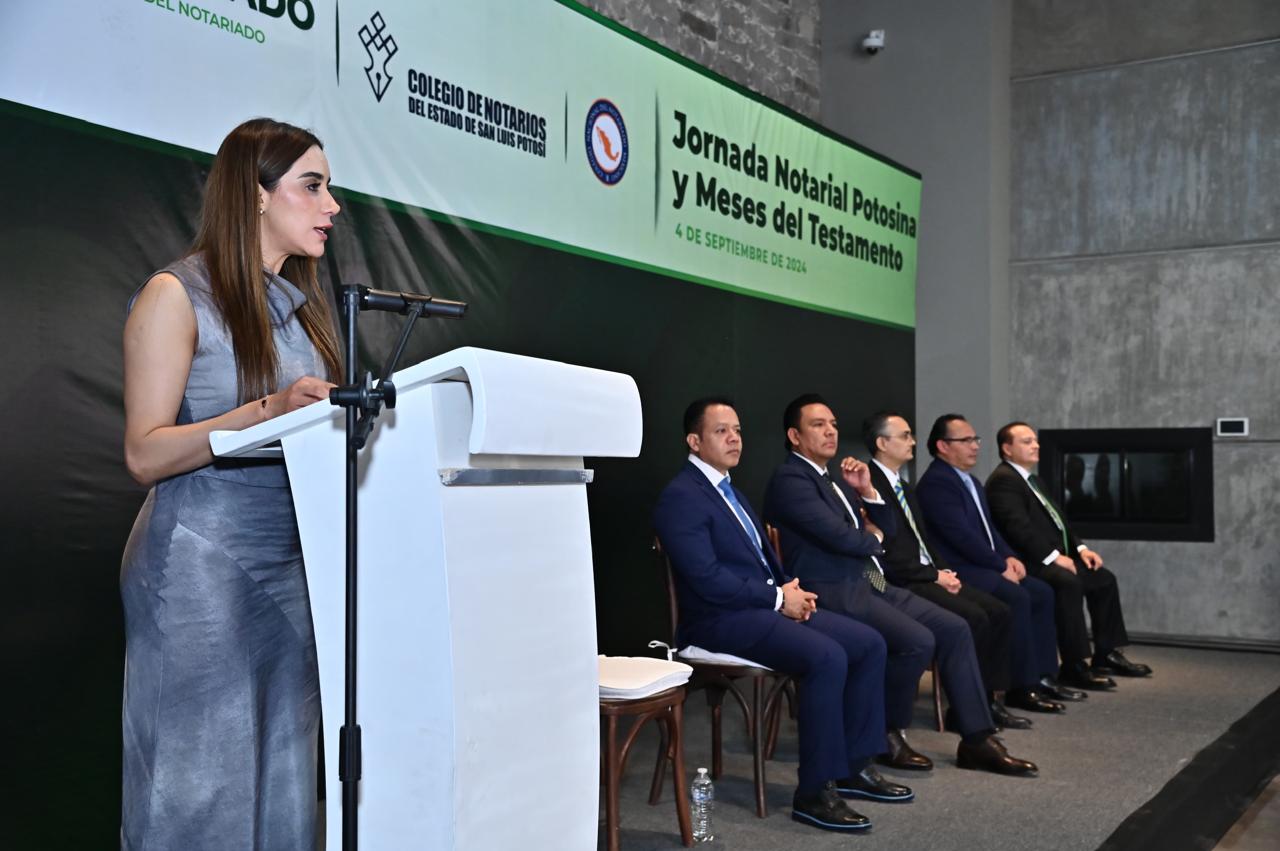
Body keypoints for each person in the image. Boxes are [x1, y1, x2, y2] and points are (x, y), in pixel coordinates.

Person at [120, 118, 343, 849]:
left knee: (284, 784)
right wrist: (265, 412)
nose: (332, 205)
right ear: (256, 194)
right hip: (198, 578)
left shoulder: (304, 313)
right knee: (196, 796)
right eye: (313, 185)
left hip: (291, 572)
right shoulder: (174, 296)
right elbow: (144, 454)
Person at [653, 398, 895, 832]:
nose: (734, 439)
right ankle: (814, 792)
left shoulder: (730, 490)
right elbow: (707, 579)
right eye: (721, 431)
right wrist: (778, 599)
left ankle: (854, 765)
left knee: (869, 643)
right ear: (694, 441)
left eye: (738, 430)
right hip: (716, 620)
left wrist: (790, 591)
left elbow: (762, 562)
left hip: (759, 607)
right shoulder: (681, 497)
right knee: (827, 657)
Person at [763, 396, 1036, 777]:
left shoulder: (836, 478)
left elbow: (886, 530)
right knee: (917, 640)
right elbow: (843, 537)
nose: (830, 432)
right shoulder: (791, 479)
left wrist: (868, 494)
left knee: (955, 628)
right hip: (832, 588)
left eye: (834, 424)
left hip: (869, 582)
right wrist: (870, 536)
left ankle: (977, 738)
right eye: (818, 425)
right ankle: (885, 733)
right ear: (795, 435)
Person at [862, 411, 1031, 731]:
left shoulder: (904, 486)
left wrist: (944, 571)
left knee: (998, 610)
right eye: (905, 435)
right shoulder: (868, 484)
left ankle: (989, 700)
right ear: (882, 443)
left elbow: (925, 542)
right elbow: (888, 555)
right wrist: (934, 576)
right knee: (974, 617)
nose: (913, 441)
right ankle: (966, 710)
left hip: (927, 574)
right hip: (901, 581)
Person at [914, 414, 1092, 710]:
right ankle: (1020, 686)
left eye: (975, 439)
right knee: (1017, 596)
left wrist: (1008, 555)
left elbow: (990, 530)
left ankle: (1043, 675)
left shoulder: (970, 480)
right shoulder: (936, 483)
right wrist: (999, 565)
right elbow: (961, 537)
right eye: (966, 440)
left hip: (984, 564)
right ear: (943, 446)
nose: (975, 446)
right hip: (962, 569)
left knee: (1042, 591)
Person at [987, 422, 1151, 679]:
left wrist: (1081, 548)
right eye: (1027, 442)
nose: (1036, 445)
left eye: (1035, 440)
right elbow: (1017, 528)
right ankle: (1075, 664)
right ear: (1007, 449)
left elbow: (1059, 521)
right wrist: (1054, 558)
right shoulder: (1003, 481)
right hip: (1029, 561)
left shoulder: (1032, 480)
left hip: (1055, 556)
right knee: (1068, 582)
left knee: (1103, 579)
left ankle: (1106, 654)